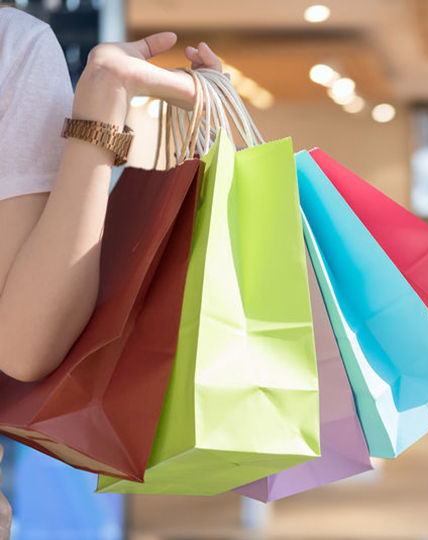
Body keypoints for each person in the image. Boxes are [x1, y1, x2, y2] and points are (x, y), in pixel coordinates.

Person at [0, 7, 222, 538]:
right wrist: (105, 98)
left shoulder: (13, 43)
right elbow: (25, 346)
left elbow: (25, 344)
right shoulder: (12, 43)